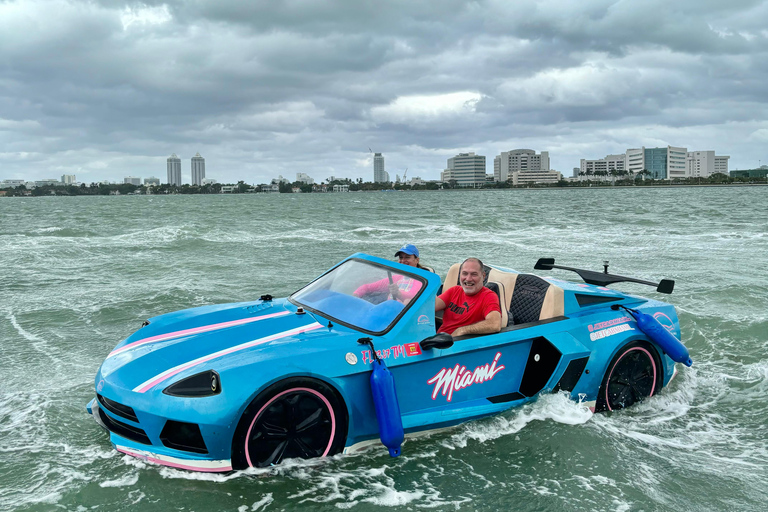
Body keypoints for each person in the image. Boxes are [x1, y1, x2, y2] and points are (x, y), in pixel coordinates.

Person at [436, 258, 501, 336]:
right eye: (465, 273)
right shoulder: (454, 290)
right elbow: (429, 307)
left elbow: (495, 324)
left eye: (474, 274)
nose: (468, 279)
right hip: (438, 340)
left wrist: (461, 330)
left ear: (483, 276)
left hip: (461, 343)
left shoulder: (488, 296)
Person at [353, 244, 431, 304]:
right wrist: (356, 295)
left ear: (417, 260)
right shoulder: (396, 278)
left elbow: (414, 296)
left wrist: (398, 293)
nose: (403, 261)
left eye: (407, 257)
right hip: (389, 312)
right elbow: (368, 287)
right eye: (401, 258)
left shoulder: (422, 280)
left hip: (404, 317)